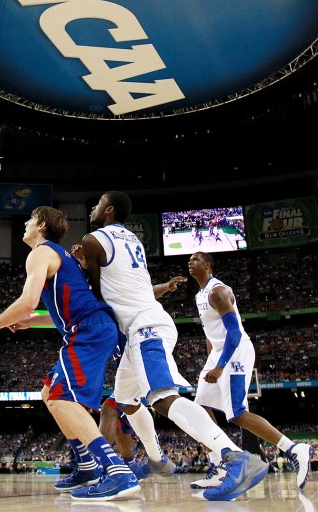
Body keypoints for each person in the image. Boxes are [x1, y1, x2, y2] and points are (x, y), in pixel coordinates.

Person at [70, 192, 268, 502]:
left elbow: (95, 293)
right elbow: (128, 287)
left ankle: (235, 456)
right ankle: (148, 461)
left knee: (162, 399)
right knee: (121, 399)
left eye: (97, 203)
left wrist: (79, 265)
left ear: (109, 210)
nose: (92, 206)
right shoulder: (133, 240)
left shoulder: (94, 239)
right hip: (148, 322)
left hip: (145, 328)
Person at [0, 206, 139, 502]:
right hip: (90, 326)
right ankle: (86, 465)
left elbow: (28, 299)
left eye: (30, 220)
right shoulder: (62, 257)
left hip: (89, 329)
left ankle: (116, 471)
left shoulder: (41, 253)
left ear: (43, 226)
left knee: (62, 398)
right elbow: (64, 308)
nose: (25, 223)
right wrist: (31, 320)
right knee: (49, 394)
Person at [186, 251, 311, 488]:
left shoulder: (218, 291)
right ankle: (220, 465)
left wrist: (221, 366)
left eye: (195, 259)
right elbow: (211, 334)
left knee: (236, 413)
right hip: (218, 352)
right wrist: (211, 361)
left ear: (208, 265)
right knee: (201, 407)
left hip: (235, 350)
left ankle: (293, 449)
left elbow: (234, 332)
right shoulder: (199, 295)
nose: (190, 262)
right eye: (189, 260)